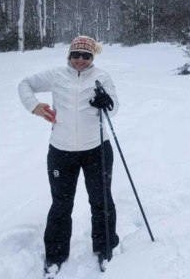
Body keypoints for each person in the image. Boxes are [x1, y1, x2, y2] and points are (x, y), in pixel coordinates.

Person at [18, 36, 119, 277]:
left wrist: (107, 102)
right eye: (76, 55)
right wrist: (35, 106)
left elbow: (114, 108)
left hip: (96, 148)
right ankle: (55, 256)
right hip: (61, 151)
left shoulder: (102, 76)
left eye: (86, 55)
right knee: (61, 204)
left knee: (101, 200)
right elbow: (25, 84)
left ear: (93, 57)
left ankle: (105, 248)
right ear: (69, 56)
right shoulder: (55, 75)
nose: (80, 60)